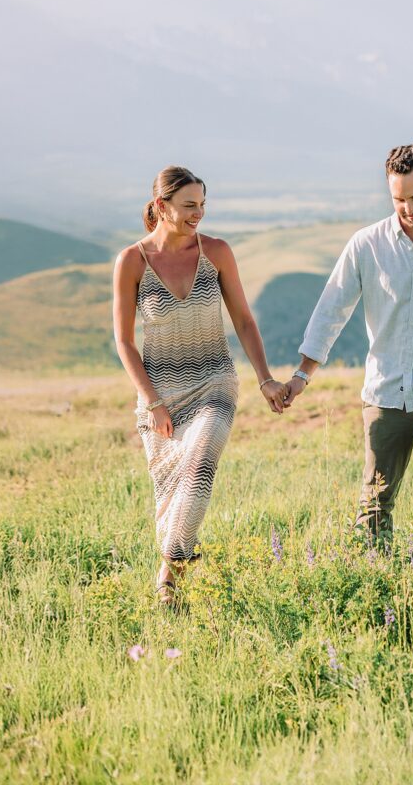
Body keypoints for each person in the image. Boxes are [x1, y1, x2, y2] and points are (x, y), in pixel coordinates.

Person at [284, 143, 413, 543]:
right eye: (398, 199)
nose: (409, 209)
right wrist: (301, 374)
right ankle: (373, 579)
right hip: (384, 390)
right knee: (375, 497)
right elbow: (332, 310)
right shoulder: (366, 245)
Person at [113, 166, 287, 605]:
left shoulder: (218, 253)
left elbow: (245, 320)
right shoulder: (132, 261)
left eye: (203, 204)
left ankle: (168, 575)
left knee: (200, 465)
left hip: (214, 380)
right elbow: (124, 341)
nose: (199, 214)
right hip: (160, 393)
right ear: (160, 207)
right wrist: (152, 401)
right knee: (172, 491)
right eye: (189, 205)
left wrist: (264, 377)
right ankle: (182, 560)